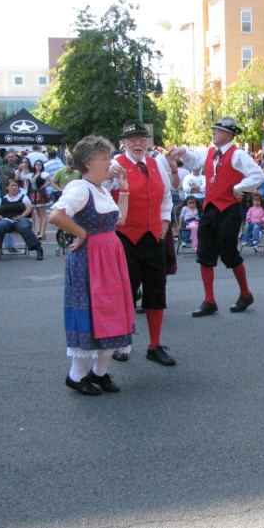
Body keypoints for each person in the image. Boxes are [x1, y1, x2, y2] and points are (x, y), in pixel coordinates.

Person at [50, 136, 134, 396]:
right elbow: (56, 215)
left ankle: (100, 371)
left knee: (109, 310)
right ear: (87, 163)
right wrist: (81, 233)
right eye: (104, 158)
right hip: (90, 257)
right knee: (88, 311)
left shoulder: (100, 189)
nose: (110, 162)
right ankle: (76, 374)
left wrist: (125, 187)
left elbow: (120, 221)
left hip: (109, 256)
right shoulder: (79, 188)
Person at [172, 117, 264, 318]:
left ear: (230, 134)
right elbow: (194, 159)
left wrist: (239, 187)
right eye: (214, 129)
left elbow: (258, 176)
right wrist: (183, 152)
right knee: (205, 254)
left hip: (229, 209)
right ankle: (209, 300)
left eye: (218, 130)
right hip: (210, 208)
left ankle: (245, 293)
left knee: (228, 251)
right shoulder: (210, 153)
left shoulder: (237, 154)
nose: (213, 132)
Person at [106, 121, 176, 366]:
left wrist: (165, 221)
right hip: (125, 238)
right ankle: (123, 343)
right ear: (123, 142)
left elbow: (166, 196)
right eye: (132, 139)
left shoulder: (157, 164)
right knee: (126, 292)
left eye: (142, 139)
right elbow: (101, 194)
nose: (138, 143)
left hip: (154, 236)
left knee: (156, 291)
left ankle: (155, 345)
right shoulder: (115, 166)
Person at [0, 179, 44, 261]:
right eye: (12, 186)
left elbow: (28, 209)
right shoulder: (1, 200)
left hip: (21, 219)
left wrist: (21, 216)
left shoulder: (23, 197)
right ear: (7, 187)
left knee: (24, 227)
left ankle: (38, 248)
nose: (14, 187)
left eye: (16, 186)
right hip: (7, 219)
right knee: (1, 225)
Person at [28, 159, 52, 239]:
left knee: (43, 213)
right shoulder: (33, 174)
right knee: (38, 213)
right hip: (34, 193)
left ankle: (42, 232)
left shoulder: (43, 174)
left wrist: (44, 186)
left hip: (40, 193)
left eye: (39, 165)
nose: (38, 166)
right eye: (36, 164)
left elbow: (51, 180)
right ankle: (38, 231)